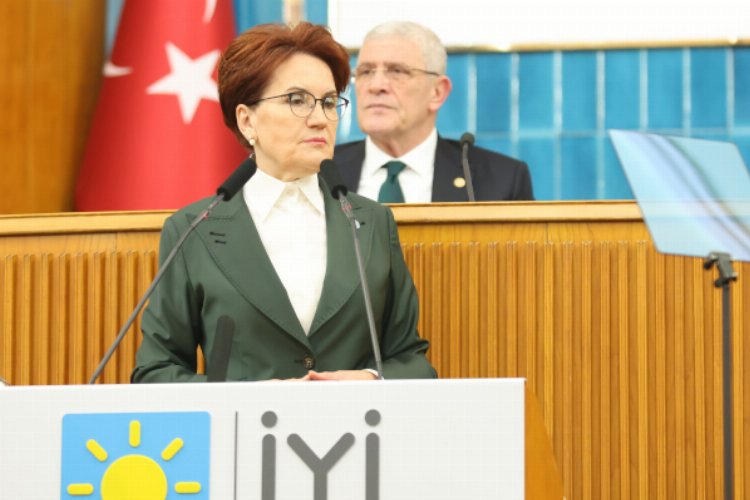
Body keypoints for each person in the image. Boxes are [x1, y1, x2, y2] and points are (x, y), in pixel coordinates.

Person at [131, 22, 436, 383]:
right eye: (297, 100)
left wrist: (369, 380)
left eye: (328, 102)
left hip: (357, 419)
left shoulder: (372, 222)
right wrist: (247, 397)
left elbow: (412, 362)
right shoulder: (193, 229)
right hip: (242, 422)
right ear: (247, 121)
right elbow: (155, 372)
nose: (320, 119)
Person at [334, 21, 534, 203]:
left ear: (437, 92)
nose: (376, 86)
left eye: (396, 71)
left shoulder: (502, 181)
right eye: (366, 72)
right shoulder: (323, 173)